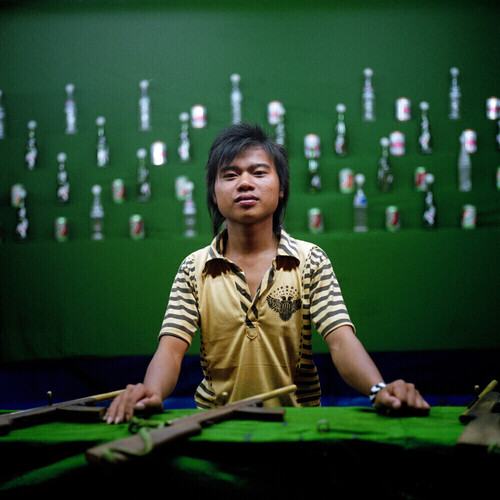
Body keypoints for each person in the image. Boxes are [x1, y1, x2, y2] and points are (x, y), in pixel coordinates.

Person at [105, 122, 429, 424]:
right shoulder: (194, 268)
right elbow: (171, 350)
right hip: (216, 430)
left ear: (281, 188)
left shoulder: (311, 261)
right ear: (214, 194)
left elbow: (342, 341)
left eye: (259, 172)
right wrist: (151, 392)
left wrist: (377, 390)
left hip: (296, 430)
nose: (245, 182)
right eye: (229, 175)